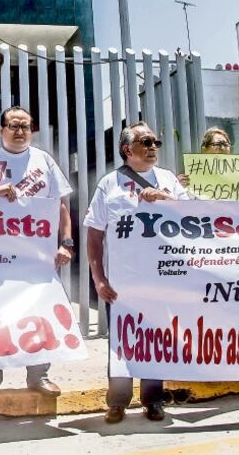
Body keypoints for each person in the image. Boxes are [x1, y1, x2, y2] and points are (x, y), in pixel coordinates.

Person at [0, 105, 74, 399]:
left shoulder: (44, 161)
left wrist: (66, 242)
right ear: (1, 130)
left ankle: (38, 376)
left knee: (37, 314)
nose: (20, 132)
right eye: (14, 126)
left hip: (36, 255)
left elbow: (60, 205)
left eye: (26, 126)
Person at [85, 123, 192, 423]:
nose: (153, 146)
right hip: (122, 283)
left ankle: (153, 400)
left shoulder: (168, 179)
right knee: (122, 341)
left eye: (155, 140)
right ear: (127, 150)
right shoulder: (110, 184)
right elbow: (94, 234)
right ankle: (117, 402)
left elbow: (195, 212)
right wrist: (99, 278)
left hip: (161, 277)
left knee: (156, 336)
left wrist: (164, 199)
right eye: (146, 141)